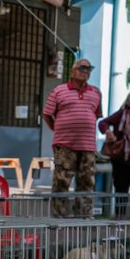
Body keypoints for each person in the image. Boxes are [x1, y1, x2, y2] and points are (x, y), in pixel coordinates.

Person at [42, 58, 102, 216]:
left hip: (88, 146)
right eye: (82, 68)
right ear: (72, 71)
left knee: (87, 182)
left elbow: (96, 115)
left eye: (89, 69)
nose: (86, 71)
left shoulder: (96, 92)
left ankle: (83, 217)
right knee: (61, 181)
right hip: (65, 145)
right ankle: (59, 217)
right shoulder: (59, 90)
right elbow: (47, 114)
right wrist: (58, 129)